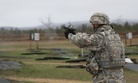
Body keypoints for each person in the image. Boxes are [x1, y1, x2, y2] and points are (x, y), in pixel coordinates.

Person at [64, 12, 126, 83]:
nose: (92, 26)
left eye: (92, 23)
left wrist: (69, 35)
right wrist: (76, 34)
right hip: (120, 78)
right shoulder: (115, 36)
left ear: (96, 23)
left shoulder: (100, 37)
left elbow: (82, 41)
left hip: (105, 78)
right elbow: (90, 38)